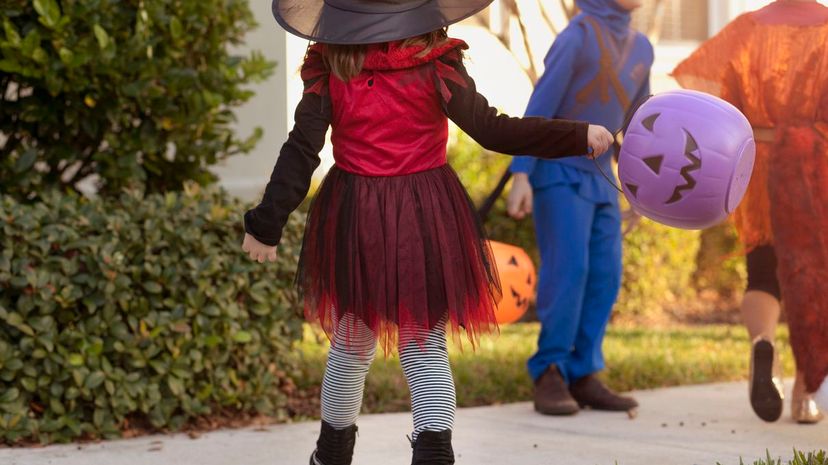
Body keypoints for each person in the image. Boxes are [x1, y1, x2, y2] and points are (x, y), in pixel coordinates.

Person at [241, 1, 615, 463]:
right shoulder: (435, 61)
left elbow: (302, 150)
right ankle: (432, 455)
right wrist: (578, 137)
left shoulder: (330, 63)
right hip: (423, 213)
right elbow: (493, 130)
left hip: (357, 214)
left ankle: (331, 455)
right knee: (423, 344)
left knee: (353, 340)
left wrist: (266, 223)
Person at [673, 0, 828, 424]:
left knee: (762, 270)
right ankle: (805, 393)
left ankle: (764, 343)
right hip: (817, 168)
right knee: (813, 277)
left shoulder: (745, 28)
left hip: (756, 163)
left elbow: (704, 91)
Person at [507, 0, 652, 416]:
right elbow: (541, 105)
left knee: (605, 275)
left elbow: (638, 127)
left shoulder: (643, 47)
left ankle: (584, 373)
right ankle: (549, 369)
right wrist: (521, 174)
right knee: (569, 270)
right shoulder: (578, 34)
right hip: (558, 173)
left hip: (603, 180)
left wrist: (643, 186)